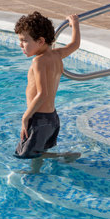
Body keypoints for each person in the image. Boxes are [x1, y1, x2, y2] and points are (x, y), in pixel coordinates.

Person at [13, 11, 81, 173]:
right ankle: (35, 172)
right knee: (38, 150)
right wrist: (75, 24)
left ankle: (65, 156)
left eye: (24, 41)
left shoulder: (39, 61)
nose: (21, 45)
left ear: (40, 41)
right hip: (52, 118)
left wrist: (26, 117)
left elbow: (42, 94)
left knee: (24, 154)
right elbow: (75, 44)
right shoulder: (57, 54)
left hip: (38, 119)